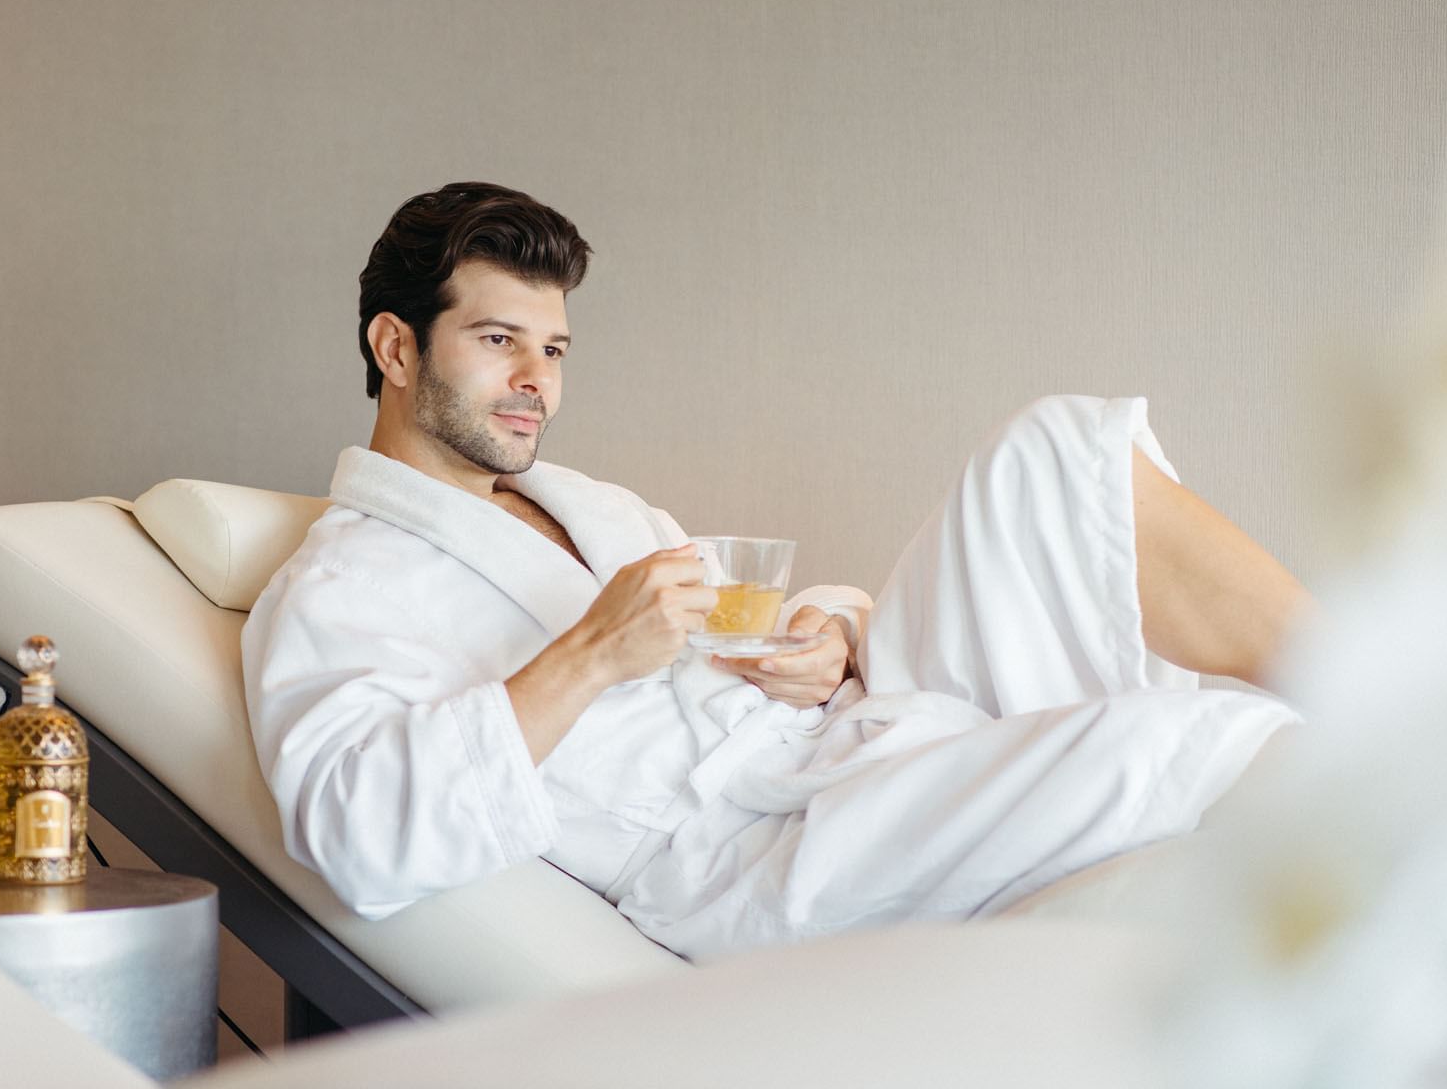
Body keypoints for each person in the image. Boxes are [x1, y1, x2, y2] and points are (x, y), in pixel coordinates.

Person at [241, 182, 1309, 958]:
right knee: (1205, 740)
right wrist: (588, 657)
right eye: (497, 340)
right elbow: (356, 837)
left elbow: (729, 633)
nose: (536, 382)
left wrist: (824, 642)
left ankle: (1396, 686)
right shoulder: (337, 593)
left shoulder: (593, 505)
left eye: (555, 349)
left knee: (1059, 451)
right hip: (763, 854)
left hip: (840, 737)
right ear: (396, 348)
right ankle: (1418, 758)